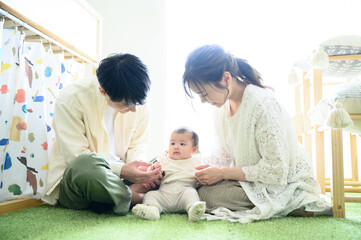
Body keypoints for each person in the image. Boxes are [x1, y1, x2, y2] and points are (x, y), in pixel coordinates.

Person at [182, 44, 332, 223]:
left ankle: (298, 205)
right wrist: (187, 168)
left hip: (283, 184)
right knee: (194, 187)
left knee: (206, 196)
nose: (203, 101)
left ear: (226, 78)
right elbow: (222, 153)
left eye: (204, 94)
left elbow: (276, 172)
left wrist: (222, 173)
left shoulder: (262, 104)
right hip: (252, 180)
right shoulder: (221, 107)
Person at [42, 53, 162, 215]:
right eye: (127, 104)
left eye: (137, 104)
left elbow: (138, 146)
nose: (134, 109)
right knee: (84, 164)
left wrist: (141, 170)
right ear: (103, 91)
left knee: (167, 161)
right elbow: (75, 157)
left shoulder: (139, 102)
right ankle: (135, 197)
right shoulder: (70, 99)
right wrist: (123, 170)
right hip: (83, 181)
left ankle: (113, 198)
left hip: (122, 178)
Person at [132, 127, 206, 221]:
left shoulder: (196, 161)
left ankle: (193, 210)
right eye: (173, 143)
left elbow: (205, 174)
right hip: (164, 194)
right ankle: (153, 210)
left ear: (194, 149)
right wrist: (154, 168)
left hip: (183, 192)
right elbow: (153, 173)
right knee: (151, 195)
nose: (176, 146)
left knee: (191, 193)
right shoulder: (164, 160)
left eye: (182, 144)